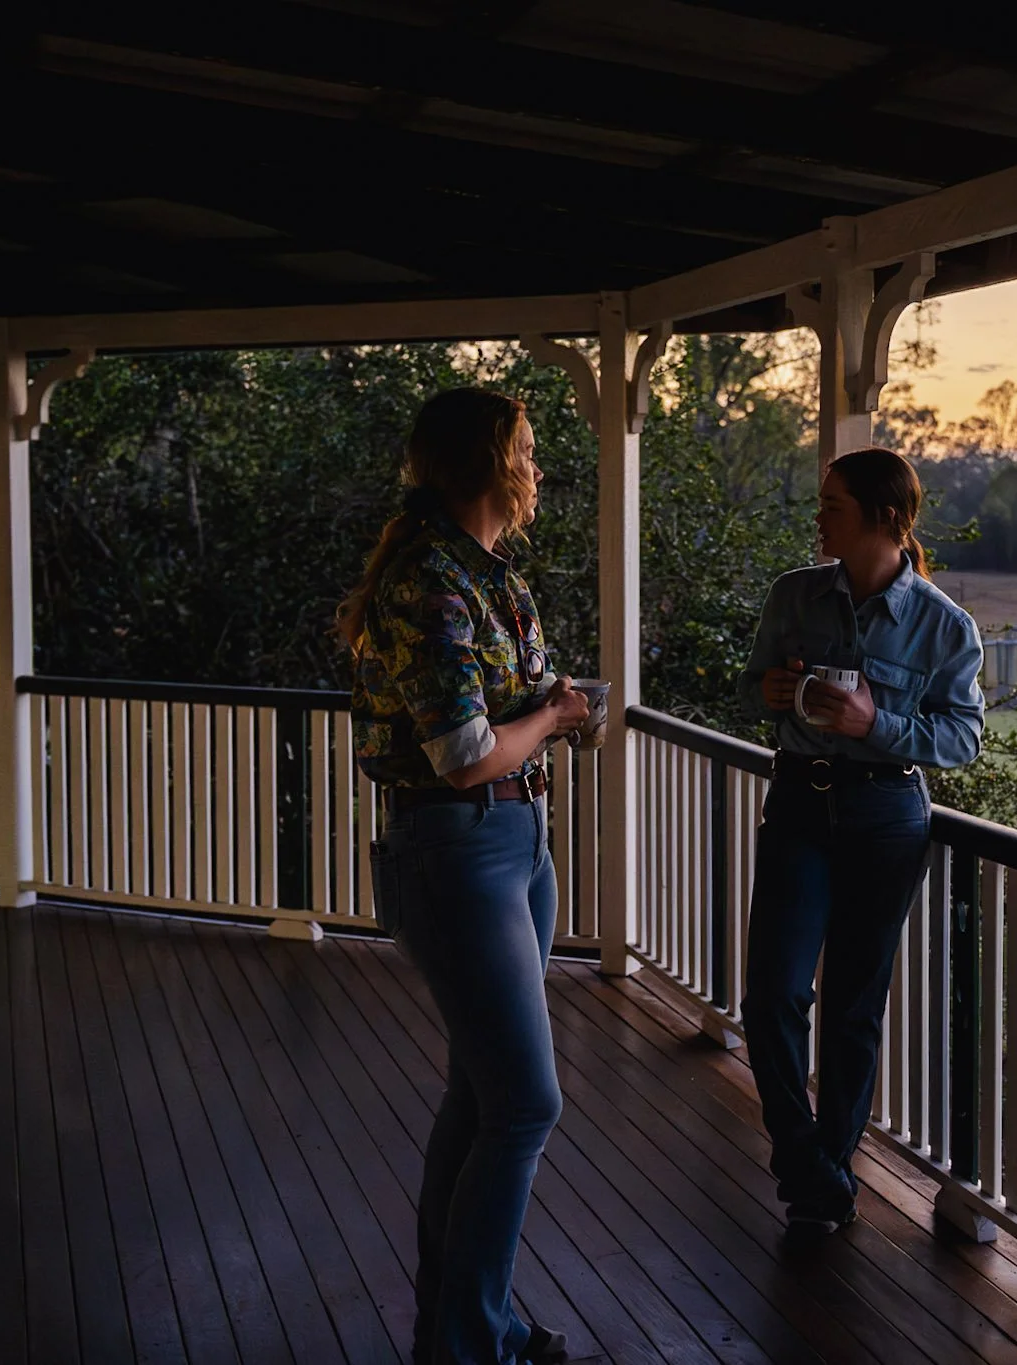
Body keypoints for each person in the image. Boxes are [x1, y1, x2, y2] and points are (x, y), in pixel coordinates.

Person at [342, 388, 589, 1365]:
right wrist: (555, 720)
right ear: (492, 460)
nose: (535, 465)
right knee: (525, 1104)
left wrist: (556, 711)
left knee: (480, 1096)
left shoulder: (488, 576)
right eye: (526, 448)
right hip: (456, 845)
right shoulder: (430, 582)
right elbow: (460, 752)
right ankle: (470, 1341)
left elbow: (503, 727)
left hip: (515, 842)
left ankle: (463, 1326)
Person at [737, 447, 986, 1233]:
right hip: (801, 805)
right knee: (773, 992)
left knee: (852, 1006)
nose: (819, 517)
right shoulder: (794, 596)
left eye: (834, 505)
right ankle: (808, 1164)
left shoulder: (945, 627)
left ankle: (829, 1175)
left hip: (887, 817)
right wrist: (772, 692)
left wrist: (876, 723)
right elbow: (751, 688)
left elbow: (963, 736)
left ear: (885, 518)